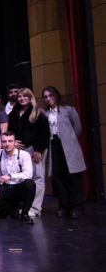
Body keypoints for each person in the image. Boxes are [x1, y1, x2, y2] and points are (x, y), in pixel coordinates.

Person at [43, 85, 87, 218]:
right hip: (54, 145)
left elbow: (77, 127)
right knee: (59, 178)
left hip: (69, 146)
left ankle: (77, 207)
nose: (48, 98)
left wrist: (70, 139)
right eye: (45, 97)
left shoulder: (68, 109)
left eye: (50, 95)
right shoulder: (45, 113)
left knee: (73, 178)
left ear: (56, 95)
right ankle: (64, 206)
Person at [8, 88, 49, 218]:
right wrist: (14, 142)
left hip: (34, 149)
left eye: (25, 96)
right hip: (19, 150)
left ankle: (35, 208)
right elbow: (10, 131)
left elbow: (45, 133)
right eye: (20, 96)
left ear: (30, 97)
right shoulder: (13, 113)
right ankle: (25, 206)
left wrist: (39, 150)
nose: (22, 98)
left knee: (38, 178)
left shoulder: (38, 113)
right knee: (24, 178)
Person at [0, 131, 36, 224]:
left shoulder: (24, 155)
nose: (7, 144)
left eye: (10, 141)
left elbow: (28, 174)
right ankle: (12, 209)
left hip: (19, 187)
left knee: (30, 184)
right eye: (4, 141)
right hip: (6, 187)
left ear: (15, 142)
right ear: (1, 143)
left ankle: (24, 213)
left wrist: (10, 176)